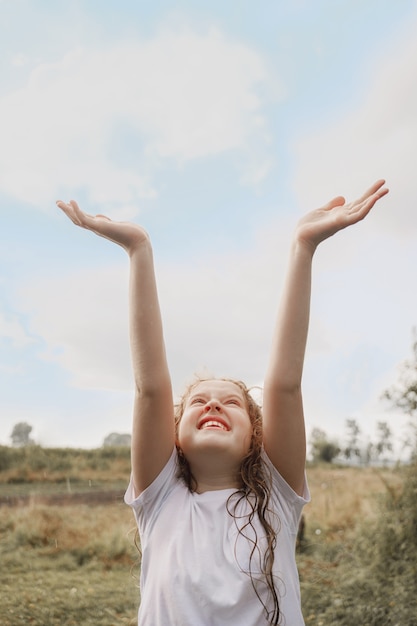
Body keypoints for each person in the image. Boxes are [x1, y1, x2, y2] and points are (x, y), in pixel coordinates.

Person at [57, 179, 389, 625]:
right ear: (173, 435)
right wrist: (139, 250)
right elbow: (151, 387)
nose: (213, 405)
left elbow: (284, 383)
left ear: (257, 436)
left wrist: (303, 248)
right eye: (198, 402)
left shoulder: (276, 495)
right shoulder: (160, 499)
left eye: (231, 402)